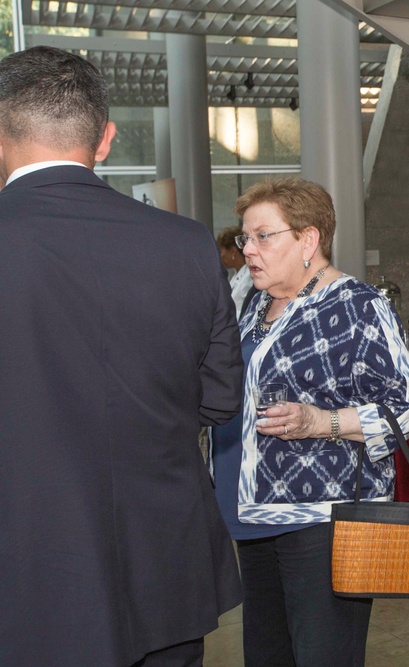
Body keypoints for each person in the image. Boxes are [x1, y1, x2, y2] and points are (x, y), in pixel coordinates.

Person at [0, 46, 243, 666]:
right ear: (105, 139)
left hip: (26, 572)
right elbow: (220, 399)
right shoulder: (188, 244)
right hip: (164, 565)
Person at [210, 177, 409, 667]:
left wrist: (321, 421)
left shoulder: (358, 306)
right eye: (246, 238)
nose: (249, 250)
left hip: (323, 523)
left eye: (264, 236)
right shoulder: (257, 305)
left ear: (308, 239)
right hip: (253, 519)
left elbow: (406, 408)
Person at [217, 224, 256, 316]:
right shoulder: (236, 275)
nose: (220, 256)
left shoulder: (249, 276)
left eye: (221, 251)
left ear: (233, 251)